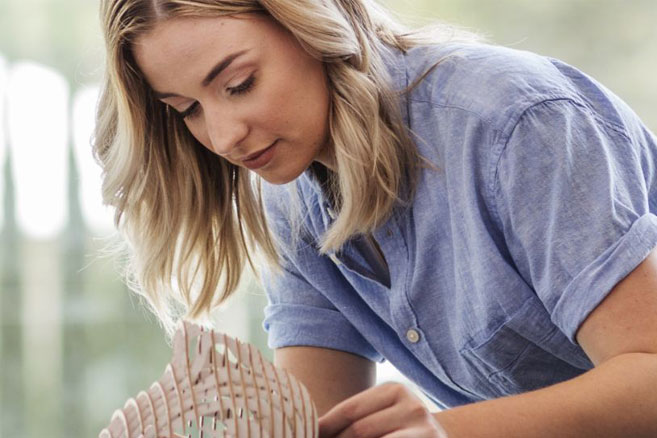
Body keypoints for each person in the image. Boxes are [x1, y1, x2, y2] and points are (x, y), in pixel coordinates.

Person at [95, 0, 657, 436]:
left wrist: (440, 431)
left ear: (316, 23)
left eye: (239, 85)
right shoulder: (292, 201)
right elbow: (318, 421)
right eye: (187, 109)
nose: (222, 136)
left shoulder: (514, 123)